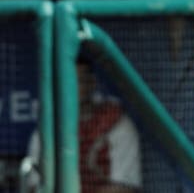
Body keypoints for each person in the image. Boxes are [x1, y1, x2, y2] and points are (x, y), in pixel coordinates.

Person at [21, 57, 142, 191]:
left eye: (80, 81)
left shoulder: (116, 122)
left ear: (92, 83)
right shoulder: (48, 129)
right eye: (68, 82)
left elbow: (124, 188)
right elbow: (35, 186)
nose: (74, 88)